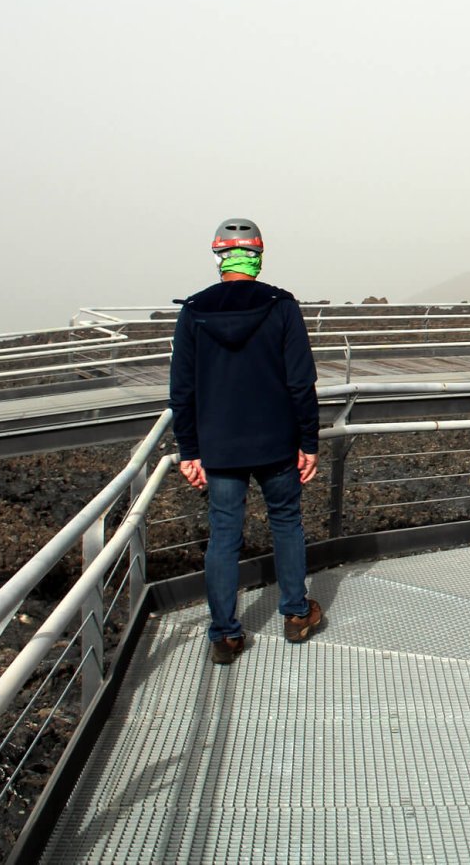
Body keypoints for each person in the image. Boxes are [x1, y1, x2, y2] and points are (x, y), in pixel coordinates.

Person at [168, 217, 325, 665]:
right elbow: (301, 382)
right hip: (277, 441)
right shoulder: (281, 306)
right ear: (258, 254)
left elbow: (182, 390)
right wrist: (308, 440)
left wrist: (189, 450)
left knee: (223, 537)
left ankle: (225, 635)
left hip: (219, 448)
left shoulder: (194, 311)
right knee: (286, 523)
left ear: (219, 255)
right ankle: (296, 615)